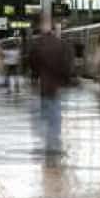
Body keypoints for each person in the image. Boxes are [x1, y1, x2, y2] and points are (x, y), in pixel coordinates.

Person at [29, 22, 72, 155]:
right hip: (56, 83)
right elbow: (67, 63)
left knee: (46, 110)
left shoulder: (38, 45)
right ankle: (54, 140)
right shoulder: (62, 44)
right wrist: (66, 78)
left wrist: (35, 75)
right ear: (55, 31)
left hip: (44, 82)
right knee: (55, 112)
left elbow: (33, 62)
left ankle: (48, 140)